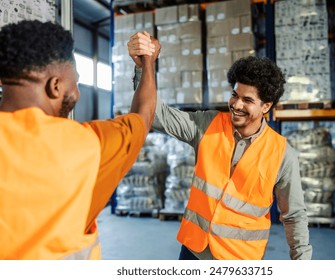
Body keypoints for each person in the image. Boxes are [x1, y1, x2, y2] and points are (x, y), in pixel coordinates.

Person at [129, 37, 312, 260]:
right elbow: (155, 115)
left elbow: (294, 215)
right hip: (194, 252)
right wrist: (144, 66)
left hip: (240, 260)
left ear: (266, 106)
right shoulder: (208, 125)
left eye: (247, 100)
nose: (236, 105)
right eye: (235, 94)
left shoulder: (282, 154)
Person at [0, 20, 160, 259]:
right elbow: (142, 117)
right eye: (75, 81)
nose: (77, 92)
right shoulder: (86, 145)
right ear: (55, 86)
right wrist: (148, 61)